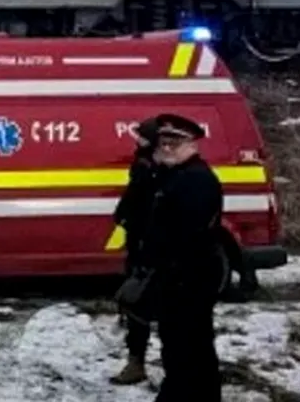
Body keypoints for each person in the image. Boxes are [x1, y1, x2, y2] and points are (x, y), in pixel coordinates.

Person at [138, 114, 224, 402]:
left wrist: (168, 266)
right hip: (174, 277)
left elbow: (186, 232)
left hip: (189, 277)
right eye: (163, 141)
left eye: (176, 142)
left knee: (190, 346)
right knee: (178, 346)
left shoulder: (196, 179)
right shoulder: (172, 175)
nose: (167, 147)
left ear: (193, 144)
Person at [109, 116, 161, 386]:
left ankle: (138, 363)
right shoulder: (144, 164)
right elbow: (133, 198)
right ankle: (136, 361)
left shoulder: (154, 169)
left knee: (140, 306)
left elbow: (146, 206)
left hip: (149, 249)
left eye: (140, 136)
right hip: (140, 245)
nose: (135, 139)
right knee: (136, 305)